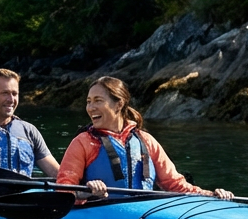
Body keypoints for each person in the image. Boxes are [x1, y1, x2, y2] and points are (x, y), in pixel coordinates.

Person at [59, 76, 234, 201]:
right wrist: (87, 193)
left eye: (98, 101)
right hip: (98, 212)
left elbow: (175, 184)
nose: (90, 107)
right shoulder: (83, 142)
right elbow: (63, 192)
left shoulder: (146, 140)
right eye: (89, 101)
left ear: (119, 104)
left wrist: (211, 195)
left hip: (144, 213)